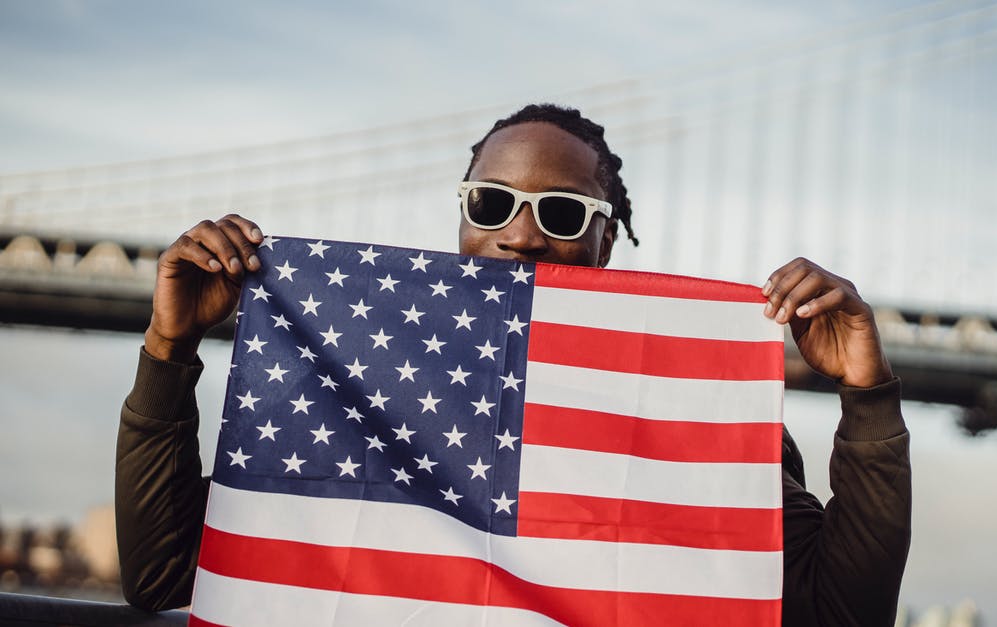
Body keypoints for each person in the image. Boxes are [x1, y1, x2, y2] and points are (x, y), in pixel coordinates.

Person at [117, 104, 911, 625]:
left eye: (563, 213)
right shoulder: (359, 387)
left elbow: (840, 614)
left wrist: (867, 395)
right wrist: (169, 347)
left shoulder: (694, 410)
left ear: (606, 241)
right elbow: (162, 574)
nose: (522, 235)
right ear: (463, 217)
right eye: (492, 203)